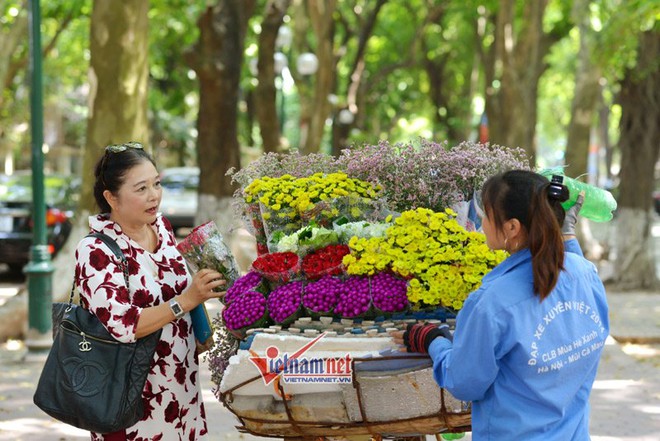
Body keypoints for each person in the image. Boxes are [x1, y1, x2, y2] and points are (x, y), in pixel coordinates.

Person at [392, 170, 609, 440]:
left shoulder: (492, 303)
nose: (482, 224)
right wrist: (569, 244)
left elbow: (464, 382)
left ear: (512, 228)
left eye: (487, 216)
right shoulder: (584, 273)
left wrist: (432, 340)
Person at [75, 142, 224, 440]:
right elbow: (122, 325)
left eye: (157, 183)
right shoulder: (95, 250)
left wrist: (199, 322)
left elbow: (180, 287)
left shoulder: (162, 228)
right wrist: (186, 300)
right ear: (111, 198)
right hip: (131, 399)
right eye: (141, 188)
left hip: (179, 386)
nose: (154, 195)